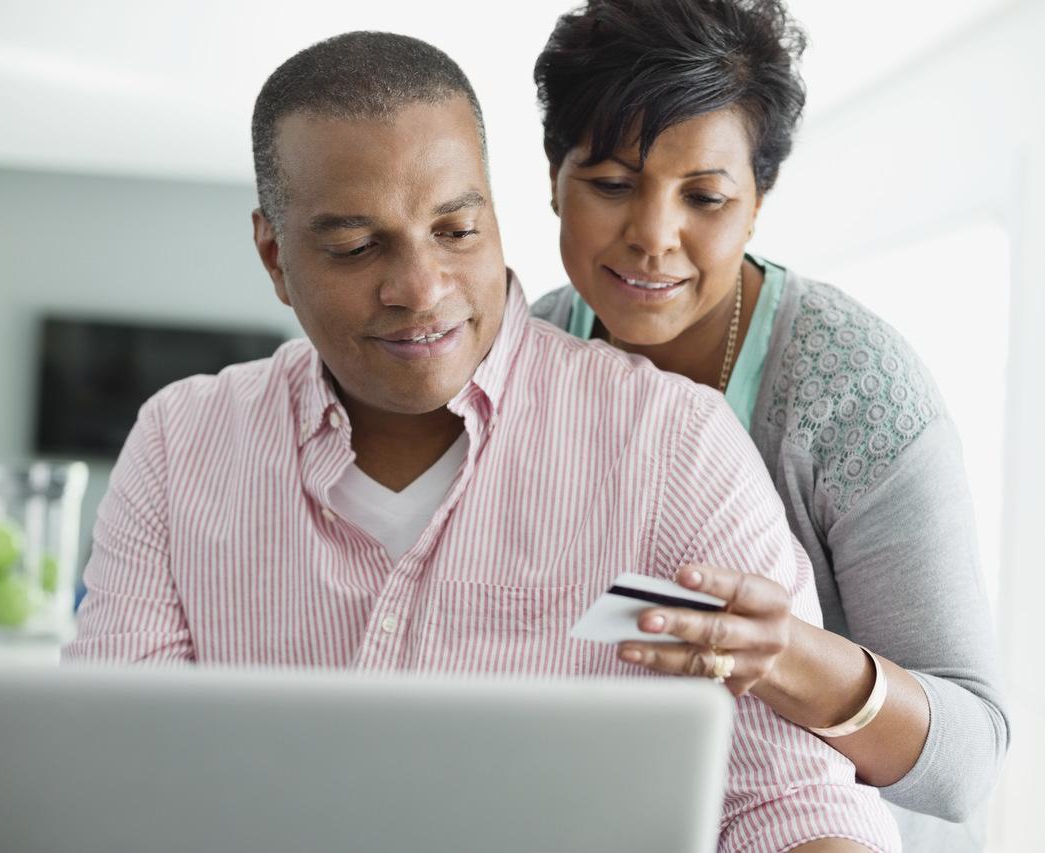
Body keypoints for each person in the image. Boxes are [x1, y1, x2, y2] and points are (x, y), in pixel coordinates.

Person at [62, 31, 899, 853]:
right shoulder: (182, 444)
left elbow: (784, 800)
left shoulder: (674, 448)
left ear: (498, 214)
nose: (421, 291)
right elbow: (113, 773)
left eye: (456, 231)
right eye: (357, 247)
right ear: (276, 256)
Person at [530, 1, 1009, 850]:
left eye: (705, 196)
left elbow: (969, 761)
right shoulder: (520, 362)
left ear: (757, 202)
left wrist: (783, 655)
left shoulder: (853, 387)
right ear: (553, 179)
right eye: (610, 184)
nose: (653, 237)